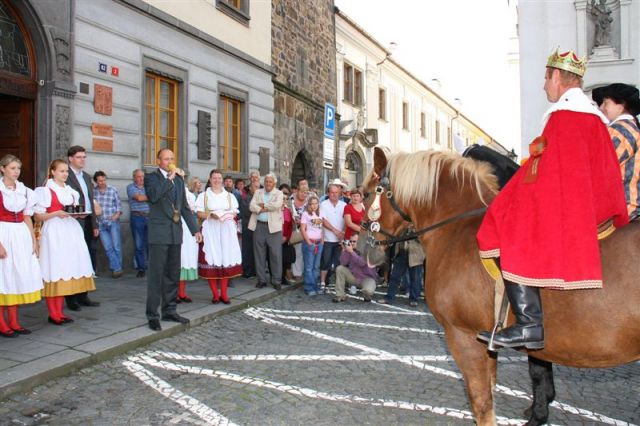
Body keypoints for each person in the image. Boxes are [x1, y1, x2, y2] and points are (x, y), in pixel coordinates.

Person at [476, 48, 629, 350]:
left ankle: (529, 323)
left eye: (546, 79)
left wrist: (509, 198)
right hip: (591, 204)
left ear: (557, 76)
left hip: (569, 209)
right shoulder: (593, 117)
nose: (544, 85)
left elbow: (543, 175)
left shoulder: (564, 116)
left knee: (509, 229)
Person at [144, 149, 202, 331]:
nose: (170, 161)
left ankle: (170, 310)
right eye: (166, 159)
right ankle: (152, 314)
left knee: (172, 273)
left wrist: (195, 230)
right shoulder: (151, 178)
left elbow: (184, 207)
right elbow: (154, 196)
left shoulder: (178, 180)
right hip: (159, 233)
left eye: (172, 158)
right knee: (156, 275)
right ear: (159, 161)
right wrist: (168, 179)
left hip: (175, 232)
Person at [35, 160, 96, 325]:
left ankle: (60, 312)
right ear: (53, 172)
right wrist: (56, 213)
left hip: (70, 231)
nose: (65, 174)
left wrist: (79, 214)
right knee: (54, 269)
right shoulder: (45, 191)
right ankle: (53, 313)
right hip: (54, 231)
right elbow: (38, 215)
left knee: (66, 269)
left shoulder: (70, 191)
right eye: (61, 171)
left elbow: (74, 210)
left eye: (66, 172)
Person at [0, 155, 42, 337]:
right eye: (12, 168)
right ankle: (2, 323)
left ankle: (15, 321)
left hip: (21, 235)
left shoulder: (25, 191)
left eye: (18, 168)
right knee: (3, 277)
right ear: (2, 169)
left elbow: (27, 217)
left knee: (16, 276)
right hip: (3, 233)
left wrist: (33, 241)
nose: (16, 172)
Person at [593, 83, 640, 220]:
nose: (601, 108)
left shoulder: (619, 131)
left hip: (624, 207)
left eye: (606, 103)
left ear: (621, 106)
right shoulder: (632, 127)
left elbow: (598, 168)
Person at [196, 169, 242, 304]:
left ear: (222, 180)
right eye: (214, 178)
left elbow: (235, 212)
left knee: (225, 260)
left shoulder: (229, 196)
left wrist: (227, 215)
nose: (217, 180)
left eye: (219, 178)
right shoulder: (204, 196)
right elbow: (199, 213)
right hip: (210, 231)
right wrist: (211, 215)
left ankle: (225, 294)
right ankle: (215, 294)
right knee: (212, 260)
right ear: (210, 180)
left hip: (226, 231)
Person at [65, 146, 99, 310]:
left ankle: (83, 294)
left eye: (84, 157)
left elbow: (90, 201)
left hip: (87, 222)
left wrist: (95, 224)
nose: (82, 160)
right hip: (72, 222)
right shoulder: (65, 175)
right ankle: (71, 298)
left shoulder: (86, 176)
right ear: (70, 158)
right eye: (79, 157)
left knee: (86, 258)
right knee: (72, 258)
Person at [249, 173, 284, 290]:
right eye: (266, 181)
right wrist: (261, 208)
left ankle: (276, 280)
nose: (268, 183)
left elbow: (276, 205)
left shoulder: (279, 193)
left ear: (274, 183)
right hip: (259, 226)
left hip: (274, 228)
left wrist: (262, 206)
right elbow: (251, 206)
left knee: (275, 255)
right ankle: (261, 280)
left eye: (270, 181)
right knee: (259, 254)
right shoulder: (258, 192)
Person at [377, 239, 425, 308]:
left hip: (416, 254)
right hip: (401, 253)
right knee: (394, 277)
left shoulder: (418, 227)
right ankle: (388, 298)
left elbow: (423, 238)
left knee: (415, 278)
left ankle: (414, 299)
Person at [93, 171, 123, 278]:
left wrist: (116, 215)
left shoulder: (112, 190)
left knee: (116, 246)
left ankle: (117, 268)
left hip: (113, 221)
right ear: (96, 181)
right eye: (100, 180)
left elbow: (118, 205)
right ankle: (117, 269)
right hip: (100, 223)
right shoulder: (93, 192)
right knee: (108, 247)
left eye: (104, 180)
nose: (102, 182)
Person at [332, 233, 377, 303]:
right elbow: (343, 262)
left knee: (368, 290)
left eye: (354, 241)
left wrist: (351, 252)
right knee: (340, 268)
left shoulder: (367, 250)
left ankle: (367, 295)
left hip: (367, 278)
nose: (352, 243)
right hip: (354, 277)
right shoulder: (350, 250)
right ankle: (340, 295)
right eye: (351, 241)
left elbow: (362, 263)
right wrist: (345, 250)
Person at [319, 183, 346, 292]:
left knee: (339, 263)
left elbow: (346, 220)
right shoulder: (323, 204)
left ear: (339, 194)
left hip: (340, 240)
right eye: (332, 192)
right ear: (328, 193)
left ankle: (339, 285)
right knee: (325, 262)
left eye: (336, 193)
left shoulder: (344, 205)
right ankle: (322, 282)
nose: (334, 195)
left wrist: (342, 233)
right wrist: (336, 231)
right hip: (327, 239)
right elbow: (323, 221)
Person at [177, 175, 199, 303]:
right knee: (177, 260)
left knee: (185, 259)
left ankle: (182, 292)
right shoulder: (170, 191)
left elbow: (192, 211)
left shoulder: (189, 194)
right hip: (176, 227)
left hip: (188, 229)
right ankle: (173, 293)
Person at [127, 169, 149, 278]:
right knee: (139, 244)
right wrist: (151, 196)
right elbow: (139, 198)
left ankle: (152, 267)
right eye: (139, 177)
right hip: (137, 217)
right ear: (134, 177)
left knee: (150, 244)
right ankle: (141, 268)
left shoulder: (148, 186)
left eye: (142, 176)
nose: (141, 179)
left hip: (149, 217)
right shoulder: (131, 187)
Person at [300, 195, 323, 296]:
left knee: (316, 266)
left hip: (319, 243)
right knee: (309, 267)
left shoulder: (320, 213)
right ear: (309, 204)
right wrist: (309, 242)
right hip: (310, 243)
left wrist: (322, 240)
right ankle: (309, 287)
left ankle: (315, 285)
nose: (314, 206)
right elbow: (302, 229)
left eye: (316, 203)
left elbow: (321, 228)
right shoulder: (305, 214)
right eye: (312, 203)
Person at [239, 171, 260, 278]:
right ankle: (247, 270)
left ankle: (256, 270)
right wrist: (258, 209)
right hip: (248, 226)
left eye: (258, 187)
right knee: (247, 249)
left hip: (258, 226)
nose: (257, 190)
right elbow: (247, 211)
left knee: (257, 250)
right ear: (251, 189)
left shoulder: (261, 197)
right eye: (255, 188)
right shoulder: (246, 197)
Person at [290, 178, 312, 282]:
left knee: (305, 251)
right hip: (294, 229)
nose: (304, 194)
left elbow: (314, 214)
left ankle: (303, 272)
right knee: (297, 251)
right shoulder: (291, 199)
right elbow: (285, 212)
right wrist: (294, 219)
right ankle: (296, 273)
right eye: (302, 192)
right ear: (297, 190)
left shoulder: (309, 201)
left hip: (307, 229)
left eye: (306, 193)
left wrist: (304, 221)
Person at [279, 185, 296, 285]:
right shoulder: (275, 210)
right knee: (277, 259)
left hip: (285, 239)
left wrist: (286, 237)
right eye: (282, 199)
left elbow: (290, 227)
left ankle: (284, 277)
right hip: (276, 238)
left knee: (285, 259)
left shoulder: (288, 211)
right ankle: (278, 278)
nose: (284, 200)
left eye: (286, 199)